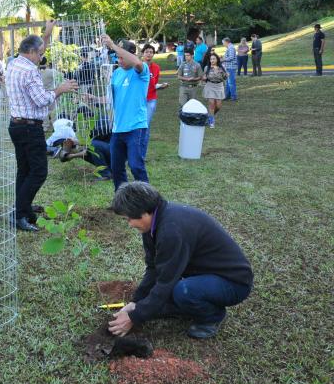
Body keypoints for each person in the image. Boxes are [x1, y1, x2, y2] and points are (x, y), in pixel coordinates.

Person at [108, 182, 253, 339]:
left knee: (183, 291)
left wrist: (134, 317)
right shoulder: (153, 224)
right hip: (205, 274)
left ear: (144, 212)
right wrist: (136, 302)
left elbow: (166, 280)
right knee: (165, 299)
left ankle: (213, 317)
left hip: (233, 282)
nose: (129, 225)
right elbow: (154, 268)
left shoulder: (171, 231)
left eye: (128, 219)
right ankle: (191, 303)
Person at [6, 20, 78, 231]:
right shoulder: (29, 71)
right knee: (38, 172)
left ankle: (23, 208)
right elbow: (42, 100)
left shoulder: (14, 63)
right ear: (31, 52)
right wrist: (60, 89)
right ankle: (19, 213)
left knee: (25, 170)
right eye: (39, 54)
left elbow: (40, 46)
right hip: (30, 128)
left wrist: (46, 34)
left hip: (17, 126)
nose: (42, 57)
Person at [103, 36, 149, 190]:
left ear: (131, 55)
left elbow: (136, 62)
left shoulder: (141, 71)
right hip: (118, 129)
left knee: (136, 166)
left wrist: (113, 45)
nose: (119, 60)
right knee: (116, 169)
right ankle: (121, 200)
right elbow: (111, 99)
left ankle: (148, 201)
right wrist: (92, 98)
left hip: (136, 127)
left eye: (122, 57)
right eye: (117, 57)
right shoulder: (116, 74)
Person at [141, 44, 160, 158]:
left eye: (151, 52)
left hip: (151, 100)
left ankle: (142, 155)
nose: (149, 54)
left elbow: (154, 84)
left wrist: (160, 86)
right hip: (138, 100)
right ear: (143, 54)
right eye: (147, 51)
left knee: (145, 126)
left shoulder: (156, 68)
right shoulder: (137, 66)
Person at [202, 53, 228, 128]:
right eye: (211, 59)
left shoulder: (221, 67)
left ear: (217, 60)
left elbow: (225, 77)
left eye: (213, 59)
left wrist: (227, 75)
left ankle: (210, 115)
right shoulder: (207, 68)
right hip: (210, 86)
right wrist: (203, 78)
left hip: (219, 86)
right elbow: (204, 77)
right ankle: (211, 121)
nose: (212, 60)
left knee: (218, 106)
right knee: (211, 104)